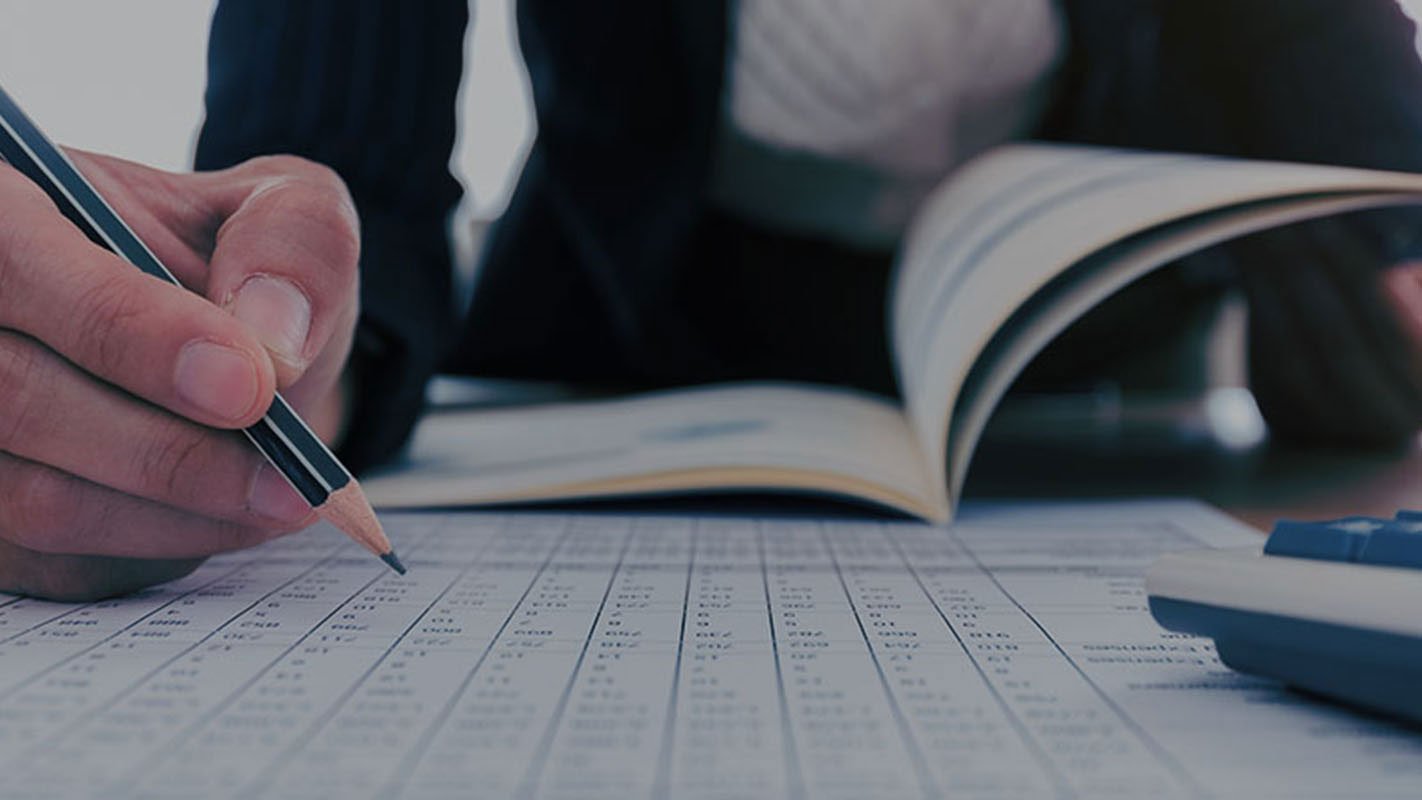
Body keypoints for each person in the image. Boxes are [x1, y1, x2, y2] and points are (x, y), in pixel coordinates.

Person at [2, 0, 1421, 600]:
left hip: (1087, 354)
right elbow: (329, 160)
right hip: (635, 342)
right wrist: (294, 332)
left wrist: (1398, 229)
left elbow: (1308, 32)